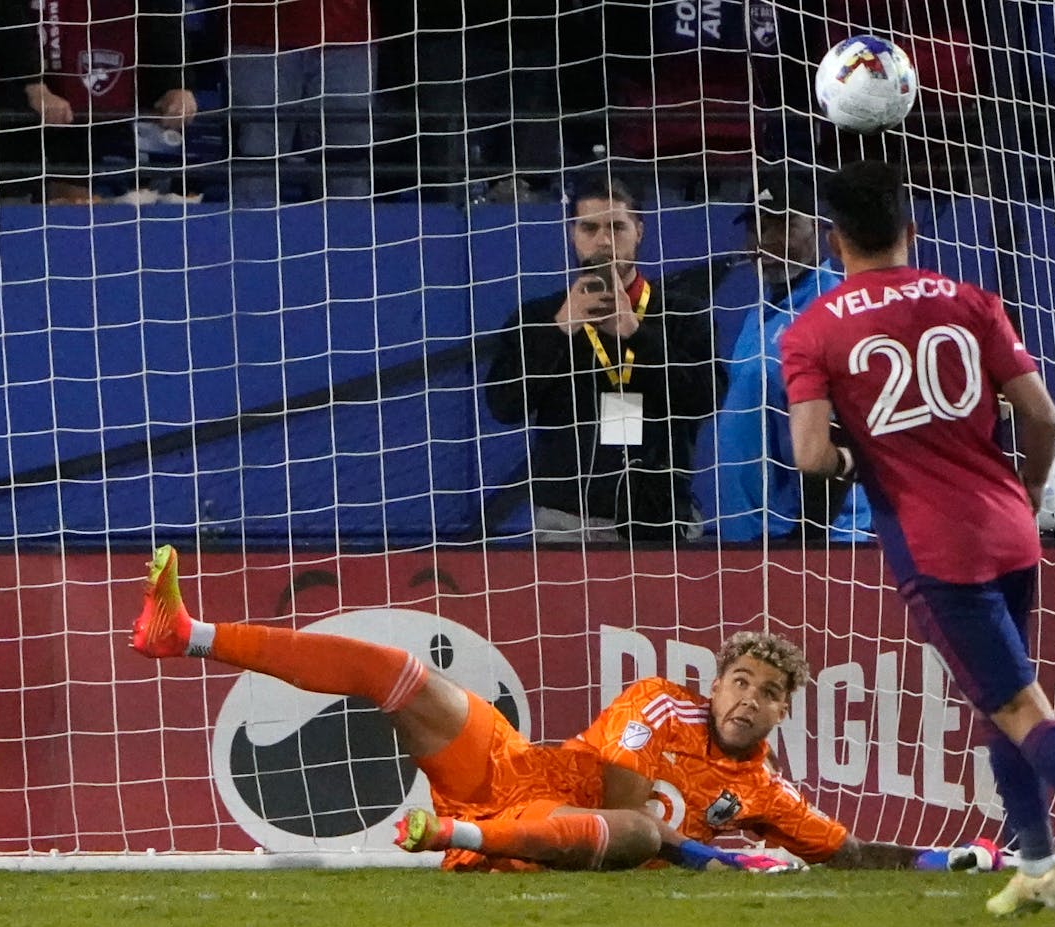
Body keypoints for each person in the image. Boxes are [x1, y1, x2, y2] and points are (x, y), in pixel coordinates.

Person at [779, 160, 1055, 919]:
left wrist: (852, 456)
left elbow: (809, 455)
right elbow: (1042, 414)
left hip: (938, 549)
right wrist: (1030, 490)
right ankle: (1038, 865)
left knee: (1020, 709)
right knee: (999, 697)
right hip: (1009, 528)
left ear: (834, 241)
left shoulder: (812, 328)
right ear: (910, 229)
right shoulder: (971, 300)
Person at [130, 544, 996, 874]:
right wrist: (719, 862)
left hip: (539, 837)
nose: (750, 698)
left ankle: (452, 838)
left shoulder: (766, 794)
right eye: (741, 681)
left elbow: (848, 855)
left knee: (642, 836)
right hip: (512, 771)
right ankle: (189, 630)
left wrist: (947, 858)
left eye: (769, 694)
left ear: (780, 714)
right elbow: (623, 796)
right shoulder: (660, 703)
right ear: (716, 681)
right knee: (397, 672)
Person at [484, 176, 724, 543]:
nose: (604, 240)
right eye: (590, 227)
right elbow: (504, 406)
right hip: (565, 519)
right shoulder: (537, 316)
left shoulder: (682, 314)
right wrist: (561, 329)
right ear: (572, 234)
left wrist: (635, 334)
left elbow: (705, 401)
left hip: (660, 519)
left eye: (617, 227)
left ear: (639, 232)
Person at [714, 170, 871, 542]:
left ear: (818, 227)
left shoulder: (836, 310)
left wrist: (809, 538)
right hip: (749, 536)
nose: (766, 242)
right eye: (757, 228)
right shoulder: (762, 312)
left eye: (782, 225)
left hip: (815, 541)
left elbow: (842, 434)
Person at [0, 0, 197, 203]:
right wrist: (31, 85)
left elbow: (164, 18)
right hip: (18, 111)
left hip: (102, 115)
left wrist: (177, 83)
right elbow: (6, 20)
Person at [227, 0, 377, 204]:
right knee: (258, 153)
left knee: (347, 157)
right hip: (258, 36)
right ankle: (248, 231)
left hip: (348, 36)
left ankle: (350, 234)